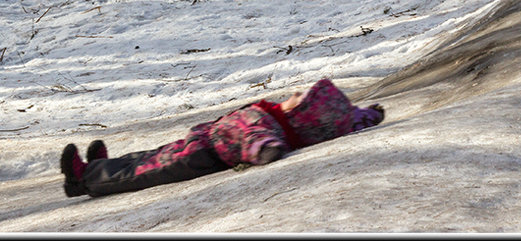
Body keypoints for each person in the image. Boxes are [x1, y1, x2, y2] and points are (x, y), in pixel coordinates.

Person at [59, 78, 385, 198]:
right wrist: (368, 115)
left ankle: (86, 179)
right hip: (200, 141)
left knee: (146, 170)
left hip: (201, 156)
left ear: (303, 117)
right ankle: (102, 165)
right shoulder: (284, 117)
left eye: (300, 97)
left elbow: (258, 140)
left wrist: (263, 149)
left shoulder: (270, 126)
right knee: (147, 155)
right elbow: (345, 120)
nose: (295, 93)